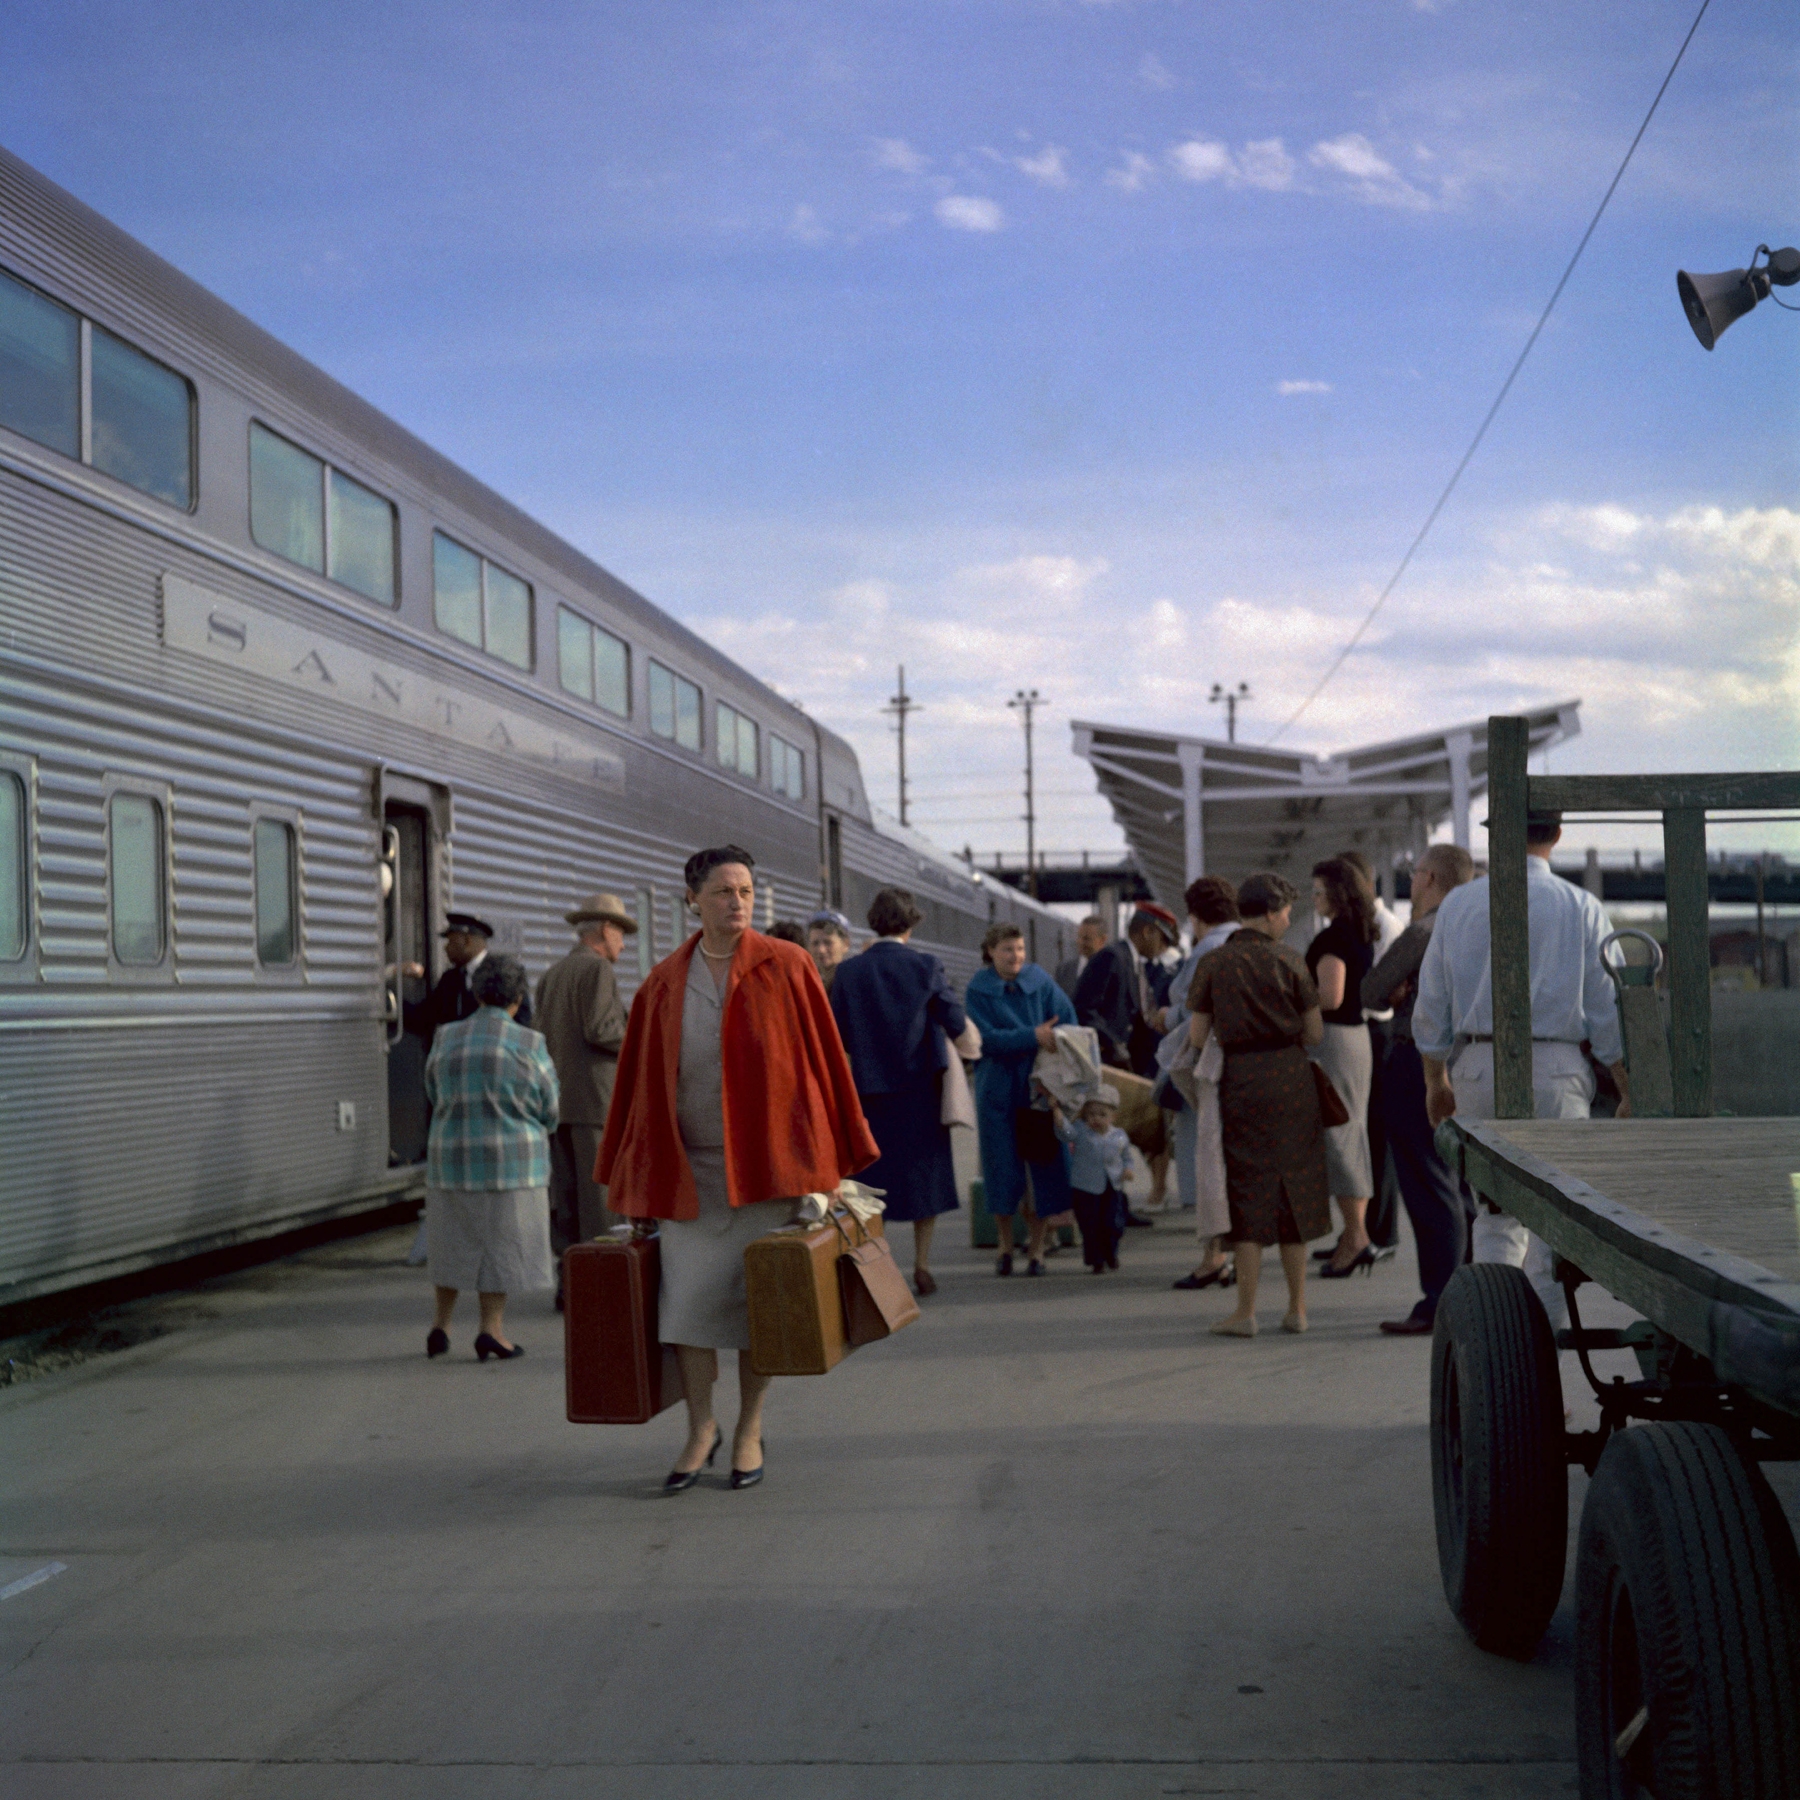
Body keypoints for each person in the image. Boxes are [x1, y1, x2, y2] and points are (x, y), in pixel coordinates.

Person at [598, 846, 877, 1492]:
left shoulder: (788, 965)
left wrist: (829, 1166)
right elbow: (639, 1090)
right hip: (690, 1177)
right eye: (724, 891)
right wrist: (634, 1182)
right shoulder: (662, 983)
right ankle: (702, 1428)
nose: (738, 902)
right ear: (693, 899)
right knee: (687, 1312)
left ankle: (749, 1427)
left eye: (746, 891)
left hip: (769, 1172)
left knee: (761, 1310)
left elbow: (822, 1065)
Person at [1414, 808, 1631, 1328]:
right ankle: (1543, 1360)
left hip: (1478, 1067)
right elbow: (1609, 1008)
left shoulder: (1458, 904)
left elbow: (1432, 1003)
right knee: (1554, 1224)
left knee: (1494, 1217)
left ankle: (1498, 1349)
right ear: (1557, 834)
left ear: (1495, 837)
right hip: (1557, 1068)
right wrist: (1626, 1090)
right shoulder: (1581, 905)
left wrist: (1435, 1081)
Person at [1187, 872, 1330, 1337]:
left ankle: (1245, 1312)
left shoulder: (1213, 962)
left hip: (1241, 1082)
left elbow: (1196, 1036)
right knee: (1295, 1189)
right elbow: (1314, 1033)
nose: (1288, 920)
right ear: (1269, 914)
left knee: (1247, 1192)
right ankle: (1297, 1309)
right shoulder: (1291, 960)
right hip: (1291, 1080)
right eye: (1285, 913)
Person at [827, 885, 968, 1296]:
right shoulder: (926, 965)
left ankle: (880, 1264)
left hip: (869, 1094)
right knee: (925, 1181)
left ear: (874, 923)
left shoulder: (850, 972)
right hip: (921, 1092)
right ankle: (922, 1265)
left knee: (873, 1183)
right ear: (910, 924)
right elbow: (955, 1021)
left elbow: (836, 1032)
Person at [422, 955, 559, 1362]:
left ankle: (441, 1326)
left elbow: (433, 1091)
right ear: (517, 999)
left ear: (477, 994)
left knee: (451, 1244)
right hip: (511, 1166)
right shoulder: (529, 1044)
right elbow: (550, 1108)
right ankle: (491, 1330)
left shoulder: (445, 1037)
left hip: (451, 1162)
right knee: (499, 1250)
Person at [1362, 844, 1476, 1334]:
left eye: (1414, 874)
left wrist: (1399, 986)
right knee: (1461, 1180)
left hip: (1417, 1059)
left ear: (1429, 878)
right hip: (1471, 1058)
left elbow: (1371, 991)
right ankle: (1470, 1288)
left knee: (1427, 1179)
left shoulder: (1424, 930)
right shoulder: (1478, 928)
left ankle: (1437, 1300)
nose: (1411, 883)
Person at [965, 922, 1077, 1276]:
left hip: (1037, 1087)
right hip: (996, 1089)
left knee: (1042, 1166)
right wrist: (1032, 1035)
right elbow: (983, 1039)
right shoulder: (978, 990)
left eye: (1020, 949)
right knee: (1000, 1168)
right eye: (1007, 949)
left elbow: (1067, 1022)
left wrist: (1052, 1043)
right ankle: (1004, 1245)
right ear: (991, 952)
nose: (1015, 956)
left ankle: (1038, 1248)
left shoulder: (1040, 982)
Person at [534, 893, 633, 1269]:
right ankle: (602, 1277)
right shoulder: (598, 969)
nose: (623, 944)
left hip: (560, 1104)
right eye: (621, 933)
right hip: (596, 1104)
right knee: (600, 1205)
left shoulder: (552, 974)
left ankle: (570, 1279)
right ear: (605, 930)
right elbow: (602, 1029)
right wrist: (642, 1040)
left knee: (567, 1203)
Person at [1166, 875, 1243, 1289]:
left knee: (1211, 1162)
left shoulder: (1207, 950)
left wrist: (1163, 1018)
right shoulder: (1252, 941)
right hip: (1253, 1067)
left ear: (1195, 916)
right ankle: (1236, 1257)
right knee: (1238, 1162)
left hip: (1212, 1066)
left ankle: (1214, 1258)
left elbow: (1190, 1015)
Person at [1306, 857, 1379, 1279]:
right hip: (1354, 1039)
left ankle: (1356, 1237)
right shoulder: (1358, 931)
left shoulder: (1334, 937)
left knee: (1340, 1136)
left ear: (1336, 893)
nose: (1314, 898)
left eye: (1319, 891)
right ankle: (1354, 1232)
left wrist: (1288, 999)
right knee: (1350, 1132)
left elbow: (1329, 996)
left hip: (1335, 1041)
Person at [1336, 849, 1402, 1262]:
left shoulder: (1385, 925)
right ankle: (1361, 1230)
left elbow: (1378, 989)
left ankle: (1381, 1232)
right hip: (1369, 1031)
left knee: (1377, 1134)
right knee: (1365, 1135)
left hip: (1378, 1032)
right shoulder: (1369, 924)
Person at [1073, 904, 1182, 1073]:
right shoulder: (1112, 957)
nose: (1163, 947)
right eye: (1162, 939)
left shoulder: (1133, 962)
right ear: (1147, 932)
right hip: (1104, 1063)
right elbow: (1083, 1009)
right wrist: (1113, 1045)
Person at [408, 911, 531, 1044]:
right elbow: (425, 1017)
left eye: (451, 941)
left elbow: (522, 1023)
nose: (445, 948)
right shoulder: (450, 979)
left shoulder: (504, 974)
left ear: (467, 941)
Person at [1054, 1085, 1131, 1272]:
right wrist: (1058, 1115)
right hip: (1085, 1186)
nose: (1096, 1119)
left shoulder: (1119, 1135)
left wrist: (1128, 1169)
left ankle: (1110, 1253)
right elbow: (1065, 1133)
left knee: (1113, 1222)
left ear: (1113, 1117)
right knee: (1090, 1223)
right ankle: (1096, 1259)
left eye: (1102, 1114)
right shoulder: (1080, 1131)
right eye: (1091, 1114)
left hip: (1112, 1185)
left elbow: (1126, 1157)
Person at [1055, 915, 1108, 999]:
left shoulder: (1111, 971)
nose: (1080, 942)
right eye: (1079, 937)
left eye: (1086, 939)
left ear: (1102, 940)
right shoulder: (1063, 970)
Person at [805, 909, 855, 991]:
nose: (821, 950)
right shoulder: (806, 985)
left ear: (846, 944)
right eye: (815, 943)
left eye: (828, 943)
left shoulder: (854, 985)